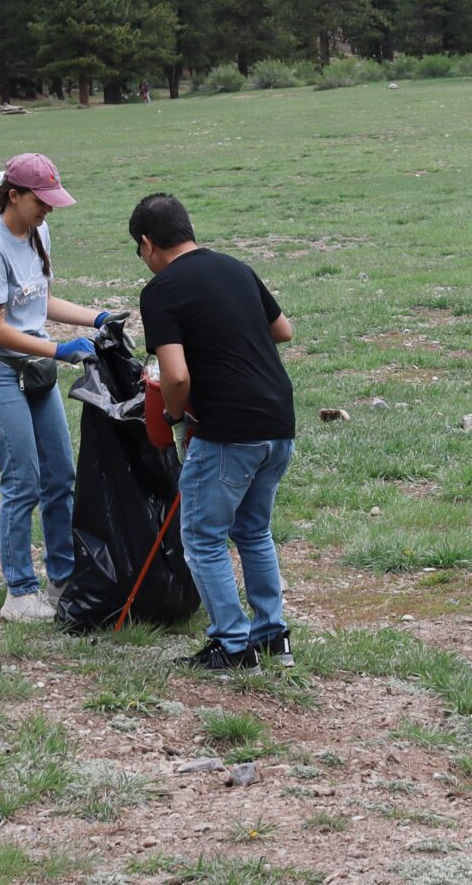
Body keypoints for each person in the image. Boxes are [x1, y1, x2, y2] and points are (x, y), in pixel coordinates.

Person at [133, 192, 300, 670]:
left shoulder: (161, 291)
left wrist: (171, 415)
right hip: (278, 421)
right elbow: (282, 329)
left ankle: (232, 645)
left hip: (227, 430)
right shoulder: (235, 268)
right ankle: (272, 637)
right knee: (253, 531)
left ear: (147, 243)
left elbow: (176, 377)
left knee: (204, 539)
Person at [0, 152, 117, 622]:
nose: (48, 210)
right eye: (41, 201)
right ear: (14, 195)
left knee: (60, 477)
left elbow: (41, 300)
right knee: (22, 481)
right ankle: (20, 591)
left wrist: (97, 318)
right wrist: (57, 350)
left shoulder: (38, 232)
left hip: (37, 372)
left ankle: (63, 576)